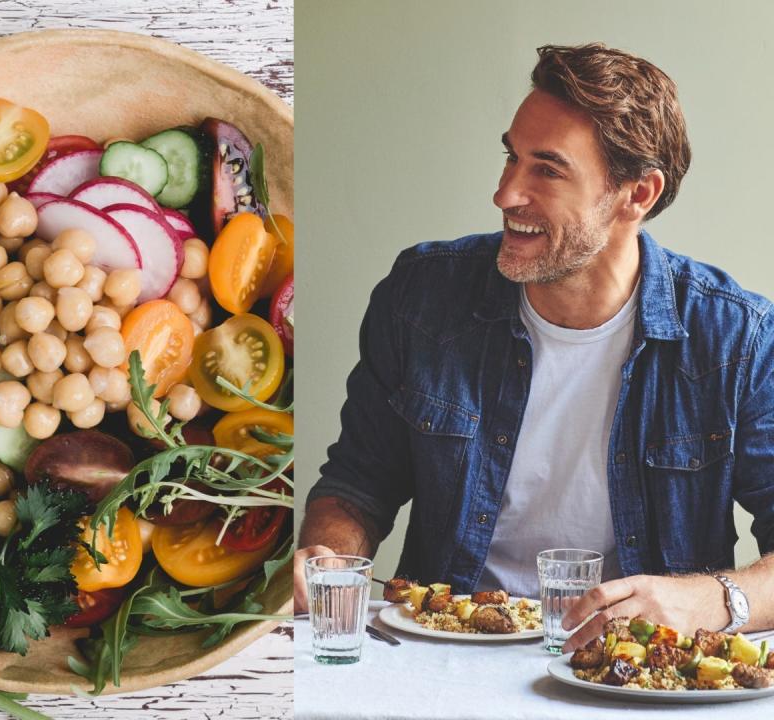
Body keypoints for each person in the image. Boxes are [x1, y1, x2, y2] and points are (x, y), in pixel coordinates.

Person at [295, 43, 774, 651]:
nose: (505, 193)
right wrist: (331, 562)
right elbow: (358, 484)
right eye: (510, 157)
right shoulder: (421, 296)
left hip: (634, 668)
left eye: (547, 169)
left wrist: (707, 599)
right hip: (441, 655)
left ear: (638, 194)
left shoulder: (737, 337)